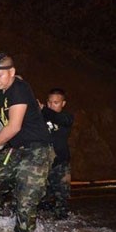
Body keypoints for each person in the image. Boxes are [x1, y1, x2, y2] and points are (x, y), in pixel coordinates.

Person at [0, 52, 55, 232]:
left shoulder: (19, 88)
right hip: (12, 149)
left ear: (11, 72)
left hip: (36, 149)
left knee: (25, 201)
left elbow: (13, 127)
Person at [38, 88, 74, 219]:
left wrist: (43, 109)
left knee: (62, 200)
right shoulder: (40, 116)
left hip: (61, 165)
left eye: (56, 102)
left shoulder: (66, 117)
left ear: (63, 103)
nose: (52, 105)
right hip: (42, 164)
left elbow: (60, 119)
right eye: (50, 102)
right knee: (40, 201)